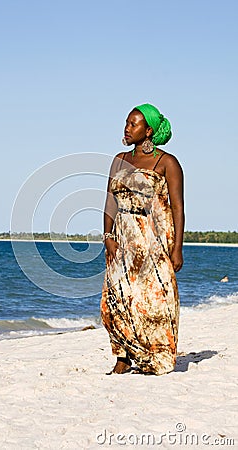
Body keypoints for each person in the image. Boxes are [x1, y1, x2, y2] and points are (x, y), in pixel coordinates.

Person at [101, 103, 184, 375]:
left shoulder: (167, 163)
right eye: (126, 123)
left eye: (133, 124)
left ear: (148, 131)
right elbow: (110, 200)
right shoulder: (119, 159)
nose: (127, 128)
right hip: (122, 239)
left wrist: (177, 249)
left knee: (152, 300)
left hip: (153, 239)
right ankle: (123, 358)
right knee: (117, 299)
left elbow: (177, 208)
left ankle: (154, 355)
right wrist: (108, 236)